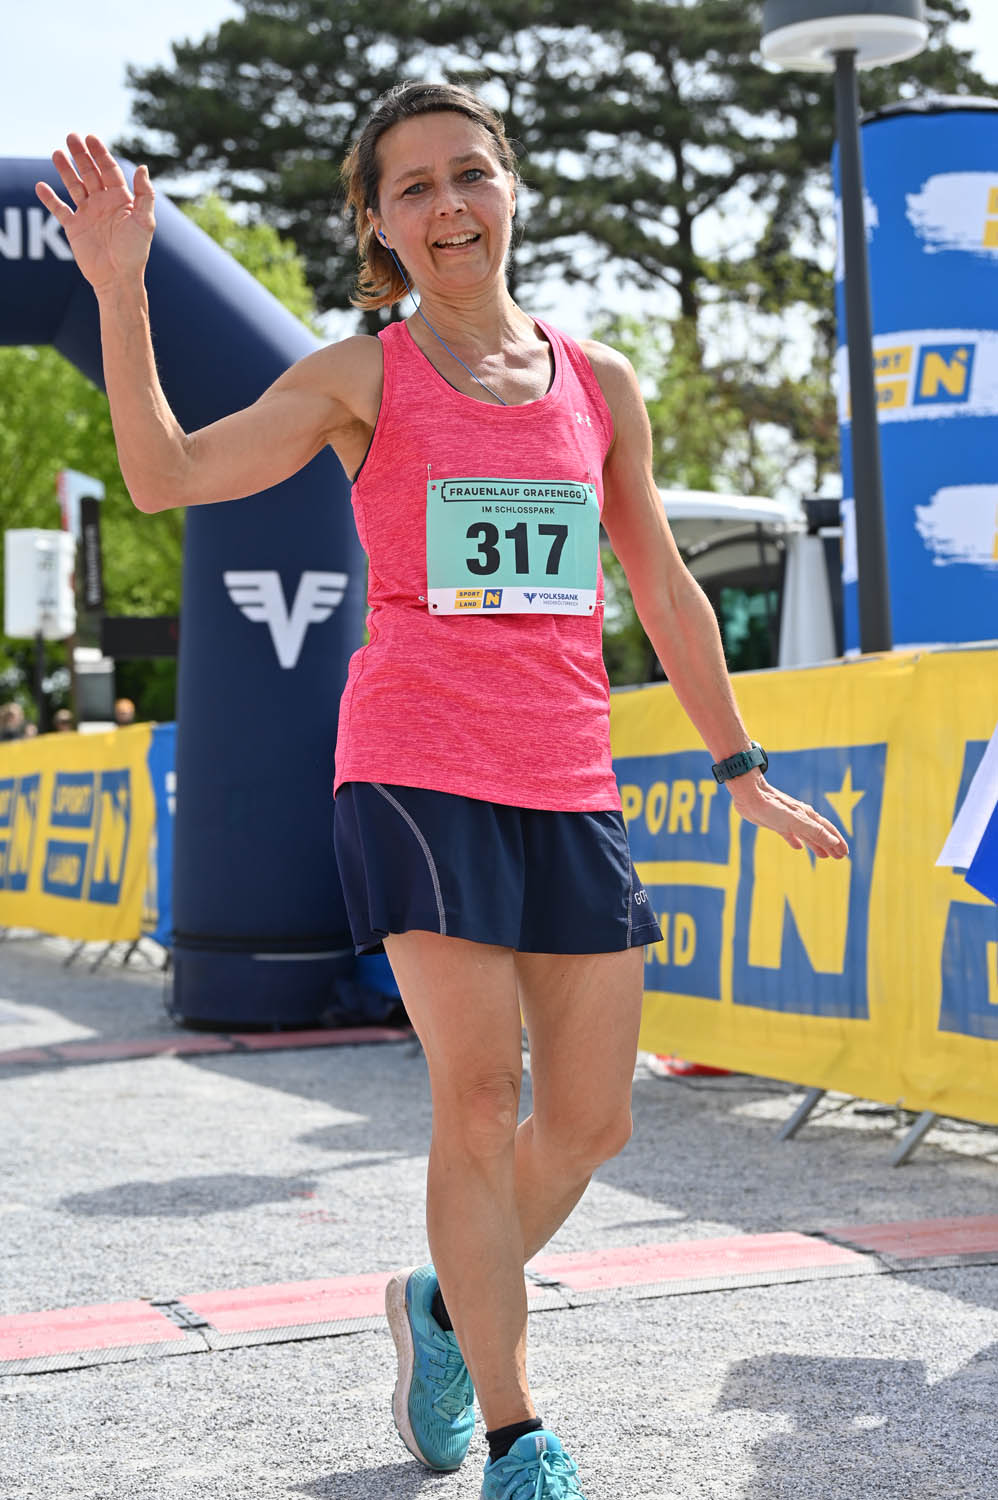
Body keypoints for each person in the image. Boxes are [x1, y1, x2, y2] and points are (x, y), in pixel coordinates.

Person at [37, 85, 848, 1499]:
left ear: (510, 189)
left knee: (591, 1121)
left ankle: (440, 1302)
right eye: (411, 188)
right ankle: (519, 1433)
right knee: (478, 1101)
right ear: (379, 225)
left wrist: (744, 773)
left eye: (468, 174)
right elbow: (165, 477)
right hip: (415, 766)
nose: (447, 204)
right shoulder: (362, 376)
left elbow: (660, 589)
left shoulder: (598, 383)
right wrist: (120, 287)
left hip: (568, 778)